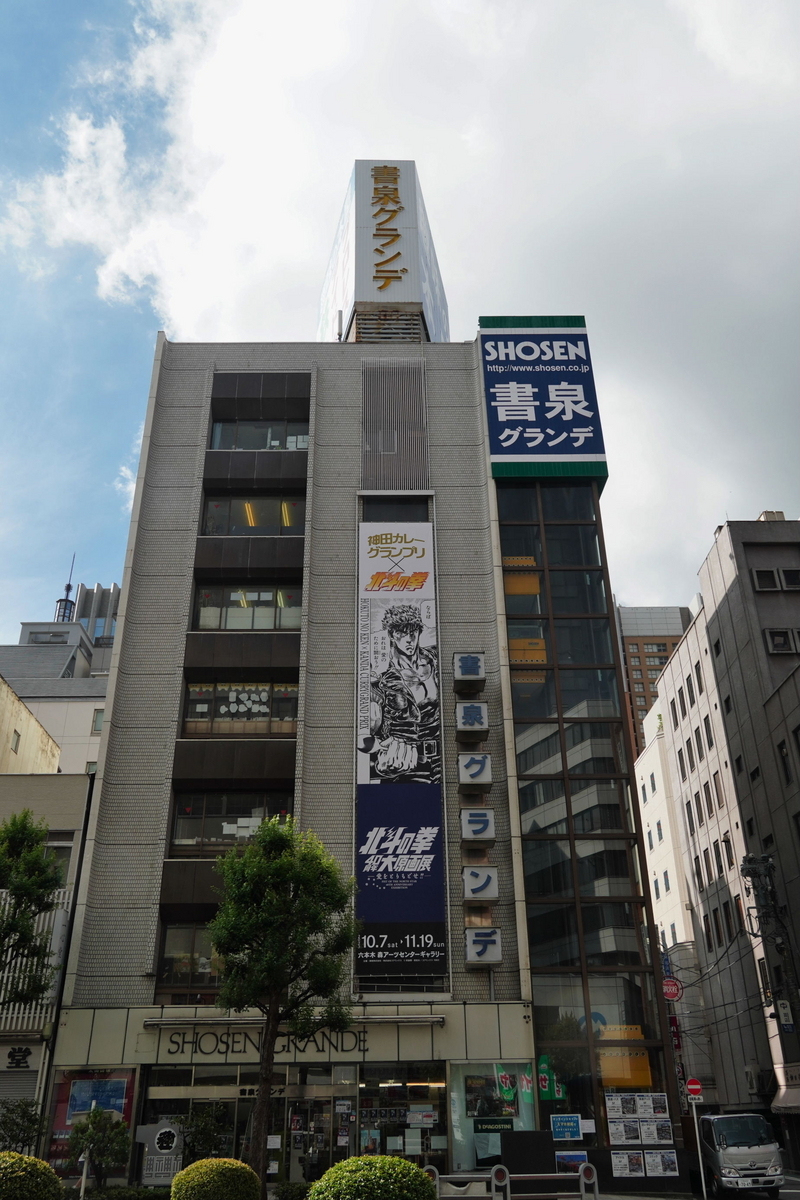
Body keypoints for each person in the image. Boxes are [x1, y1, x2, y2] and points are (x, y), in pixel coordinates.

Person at [369, 604, 441, 783]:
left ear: (419, 632)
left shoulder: (435, 658)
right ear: (391, 635)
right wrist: (381, 755)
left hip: (440, 758)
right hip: (406, 761)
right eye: (401, 633)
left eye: (412, 632)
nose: (409, 639)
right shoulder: (380, 674)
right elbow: (371, 726)